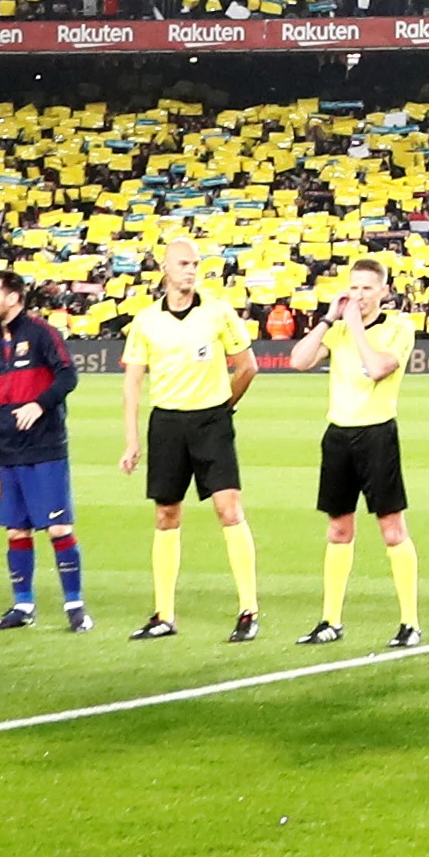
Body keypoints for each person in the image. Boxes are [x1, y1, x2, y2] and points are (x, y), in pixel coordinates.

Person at [117, 237, 262, 644]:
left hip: (211, 421)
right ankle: (164, 614)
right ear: (164, 268)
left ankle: (249, 610)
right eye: (182, 263)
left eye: (195, 264)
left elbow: (247, 366)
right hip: (166, 424)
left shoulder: (218, 312)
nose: (190, 270)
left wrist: (223, 408)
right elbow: (132, 383)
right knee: (166, 514)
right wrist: (132, 441)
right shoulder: (146, 321)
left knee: (228, 508)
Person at [288, 260, 419, 647]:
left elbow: (378, 367)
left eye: (366, 289)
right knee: (338, 528)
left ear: (383, 291)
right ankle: (330, 620)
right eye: (353, 289)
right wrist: (329, 320)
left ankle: (409, 622)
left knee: (392, 529)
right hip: (339, 436)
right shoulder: (339, 329)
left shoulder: (399, 327)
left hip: (378, 434)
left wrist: (356, 327)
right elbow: (298, 360)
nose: (358, 297)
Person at [0, 267, 91, 633]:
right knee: (16, 531)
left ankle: (75, 606)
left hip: (46, 446)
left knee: (58, 527)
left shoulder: (41, 334)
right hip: (9, 450)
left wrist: (39, 404)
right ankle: (22, 606)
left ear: (13, 298)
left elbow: (68, 376)